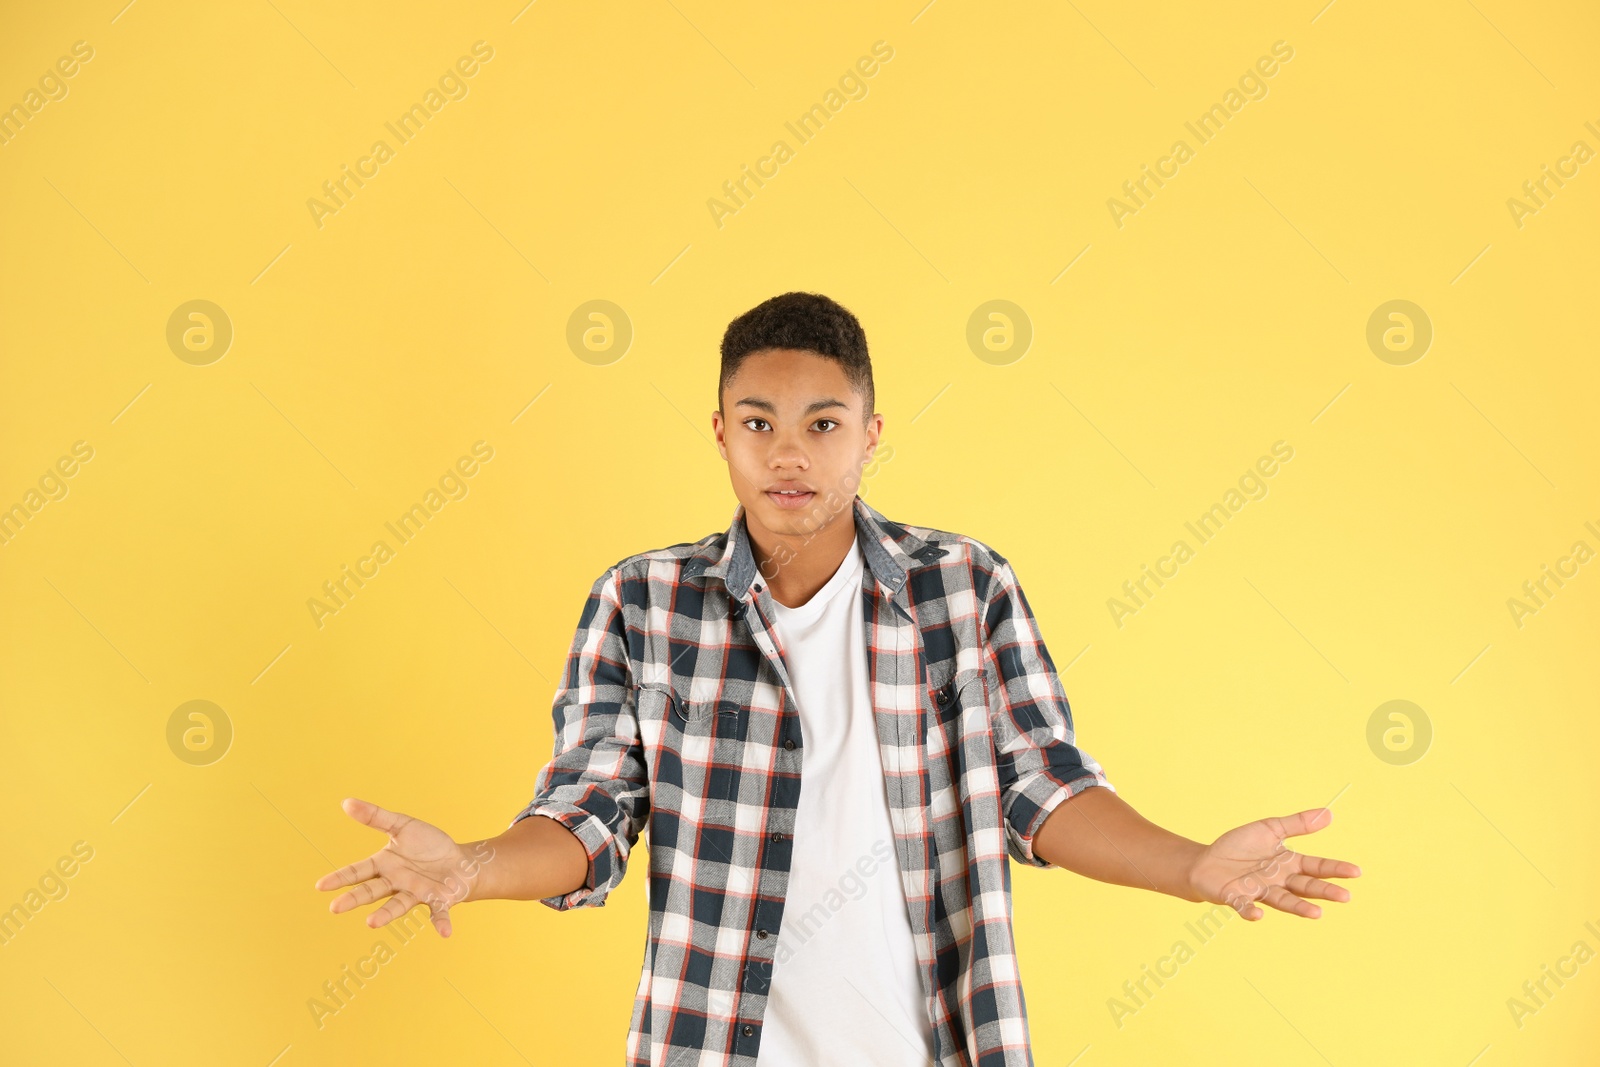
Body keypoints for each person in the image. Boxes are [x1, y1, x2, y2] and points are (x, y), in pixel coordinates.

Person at [316, 292, 1361, 1065]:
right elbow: (589, 816)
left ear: (869, 434)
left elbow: (1040, 789)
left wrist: (1194, 867)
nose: (788, 452)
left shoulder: (963, 586)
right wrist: (469, 863)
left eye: (822, 422)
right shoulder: (643, 602)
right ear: (721, 431)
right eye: (758, 420)